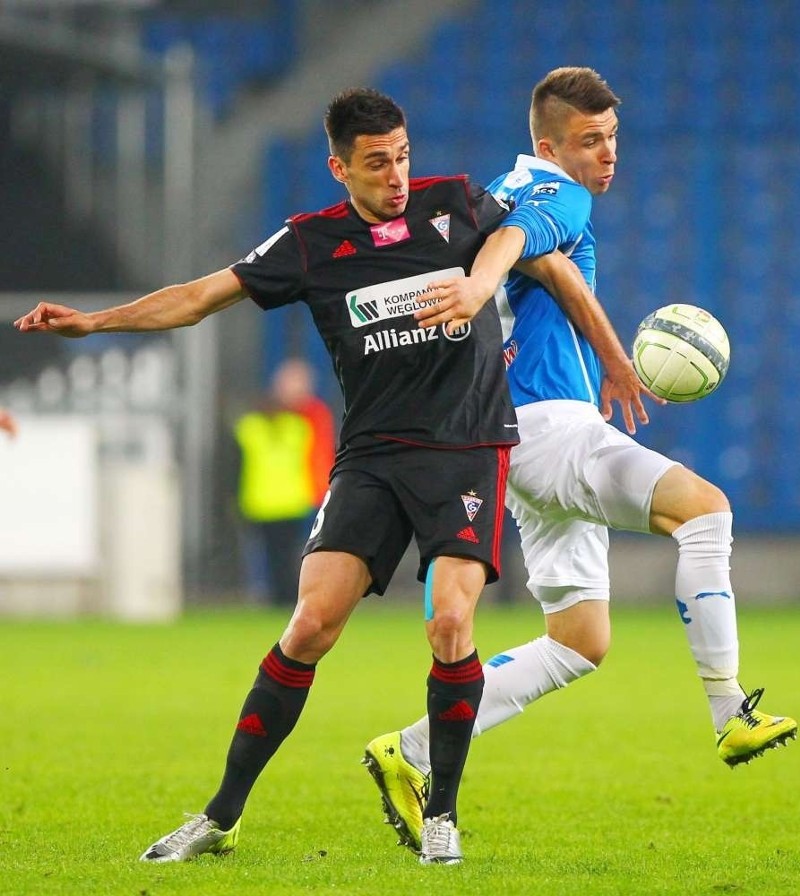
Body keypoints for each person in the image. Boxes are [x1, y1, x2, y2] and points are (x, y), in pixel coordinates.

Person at [14, 87, 522, 866]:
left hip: (464, 445)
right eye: (377, 164)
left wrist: (489, 286)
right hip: (374, 454)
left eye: (403, 156)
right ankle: (220, 816)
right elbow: (196, 299)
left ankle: (442, 812)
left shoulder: (457, 204)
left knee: (450, 622)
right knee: (310, 624)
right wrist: (96, 321)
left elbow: (528, 236)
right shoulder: (311, 243)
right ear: (339, 168)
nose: (396, 175)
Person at [361, 66, 798, 854]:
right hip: (553, 425)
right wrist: (609, 360)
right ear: (549, 145)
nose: (607, 155)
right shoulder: (557, 194)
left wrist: (585, 339)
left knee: (578, 640)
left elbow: (539, 262)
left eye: (612, 139)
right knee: (708, 511)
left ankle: (411, 749)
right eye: (591, 140)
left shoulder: (494, 191)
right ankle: (730, 709)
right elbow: (527, 245)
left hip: (509, 437)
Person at [233, 358, 335, 606]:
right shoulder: (266, 424)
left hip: (305, 497)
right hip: (273, 501)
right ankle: (273, 595)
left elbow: (322, 455)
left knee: (298, 553)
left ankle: (298, 597)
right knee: (274, 554)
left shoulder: (311, 418)